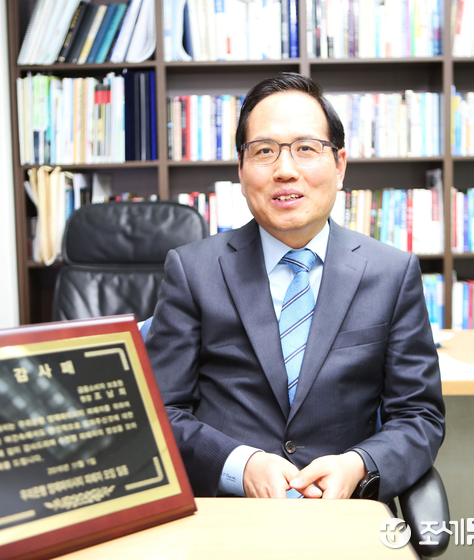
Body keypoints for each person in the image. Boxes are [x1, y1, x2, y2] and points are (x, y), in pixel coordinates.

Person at [145, 73, 445, 502]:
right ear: (241, 170)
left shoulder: (392, 273)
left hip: (342, 512)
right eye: (264, 151)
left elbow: (419, 416)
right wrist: (241, 466)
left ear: (339, 166)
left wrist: (358, 465)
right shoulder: (193, 271)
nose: (285, 171)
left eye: (306, 148)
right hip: (228, 513)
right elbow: (160, 412)